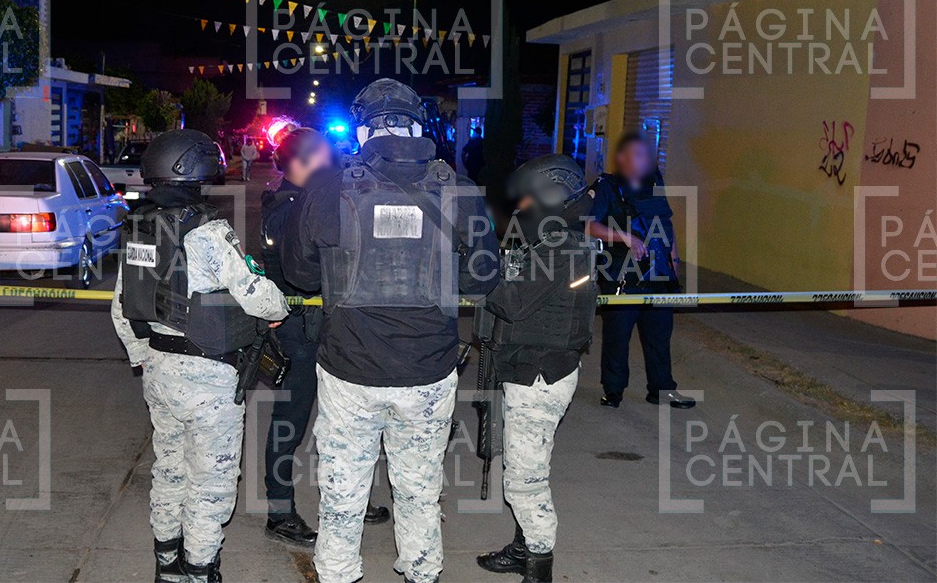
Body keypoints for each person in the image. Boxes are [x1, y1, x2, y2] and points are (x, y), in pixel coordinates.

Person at [282, 78, 500, 583]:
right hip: (428, 372)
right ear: (419, 125)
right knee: (420, 492)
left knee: (342, 495)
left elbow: (299, 274)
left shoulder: (328, 187)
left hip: (349, 372)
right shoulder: (460, 189)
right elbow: (484, 277)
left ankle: (338, 575)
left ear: (362, 131)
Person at [110, 129, 290, 582]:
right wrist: (280, 306)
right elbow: (256, 297)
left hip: (159, 371)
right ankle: (200, 569)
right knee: (210, 483)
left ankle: (166, 564)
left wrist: (143, 357)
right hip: (208, 378)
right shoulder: (208, 230)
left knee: (169, 469)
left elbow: (120, 307)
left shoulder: (139, 226)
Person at [259, 128, 389, 548]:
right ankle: (279, 512)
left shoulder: (315, 198)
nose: (326, 164)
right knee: (290, 424)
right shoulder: (286, 208)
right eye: (316, 158)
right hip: (300, 329)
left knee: (345, 422)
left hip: (330, 326)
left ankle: (350, 500)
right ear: (294, 165)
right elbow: (299, 270)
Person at [473, 155, 600, 583]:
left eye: (531, 196)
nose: (522, 204)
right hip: (531, 369)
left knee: (525, 482)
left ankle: (539, 570)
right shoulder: (555, 240)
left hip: (540, 375)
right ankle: (523, 548)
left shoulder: (562, 248)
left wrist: (476, 266)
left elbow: (510, 301)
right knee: (526, 465)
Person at [587, 132, 694, 409]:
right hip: (622, 275)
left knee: (659, 336)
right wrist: (625, 237)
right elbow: (588, 226)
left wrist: (675, 260)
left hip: (658, 275)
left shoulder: (655, 183)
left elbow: (666, 223)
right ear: (622, 158)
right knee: (617, 337)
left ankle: (662, 389)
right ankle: (613, 390)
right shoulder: (606, 186)